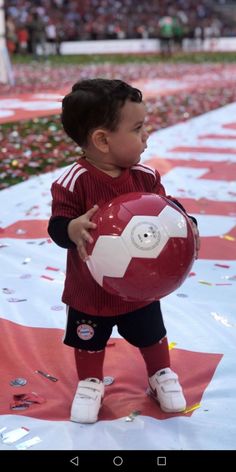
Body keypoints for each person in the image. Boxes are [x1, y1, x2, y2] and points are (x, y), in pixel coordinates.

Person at [48, 78, 200, 424]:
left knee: (152, 334)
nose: (147, 135)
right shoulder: (74, 181)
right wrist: (71, 229)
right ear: (102, 140)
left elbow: (167, 209)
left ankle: (160, 374)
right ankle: (90, 382)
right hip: (91, 292)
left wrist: (188, 223)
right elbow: (57, 226)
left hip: (140, 290)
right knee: (89, 341)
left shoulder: (145, 176)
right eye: (138, 128)